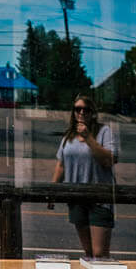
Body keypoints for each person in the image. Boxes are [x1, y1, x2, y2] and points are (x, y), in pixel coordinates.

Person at [51, 92, 119, 258]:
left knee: (99, 253)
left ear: (92, 113)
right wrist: (51, 192)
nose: (81, 113)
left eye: (86, 110)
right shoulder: (69, 136)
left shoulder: (104, 132)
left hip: (99, 197)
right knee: (88, 252)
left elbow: (109, 160)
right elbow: (61, 165)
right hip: (76, 197)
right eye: (77, 109)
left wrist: (88, 138)